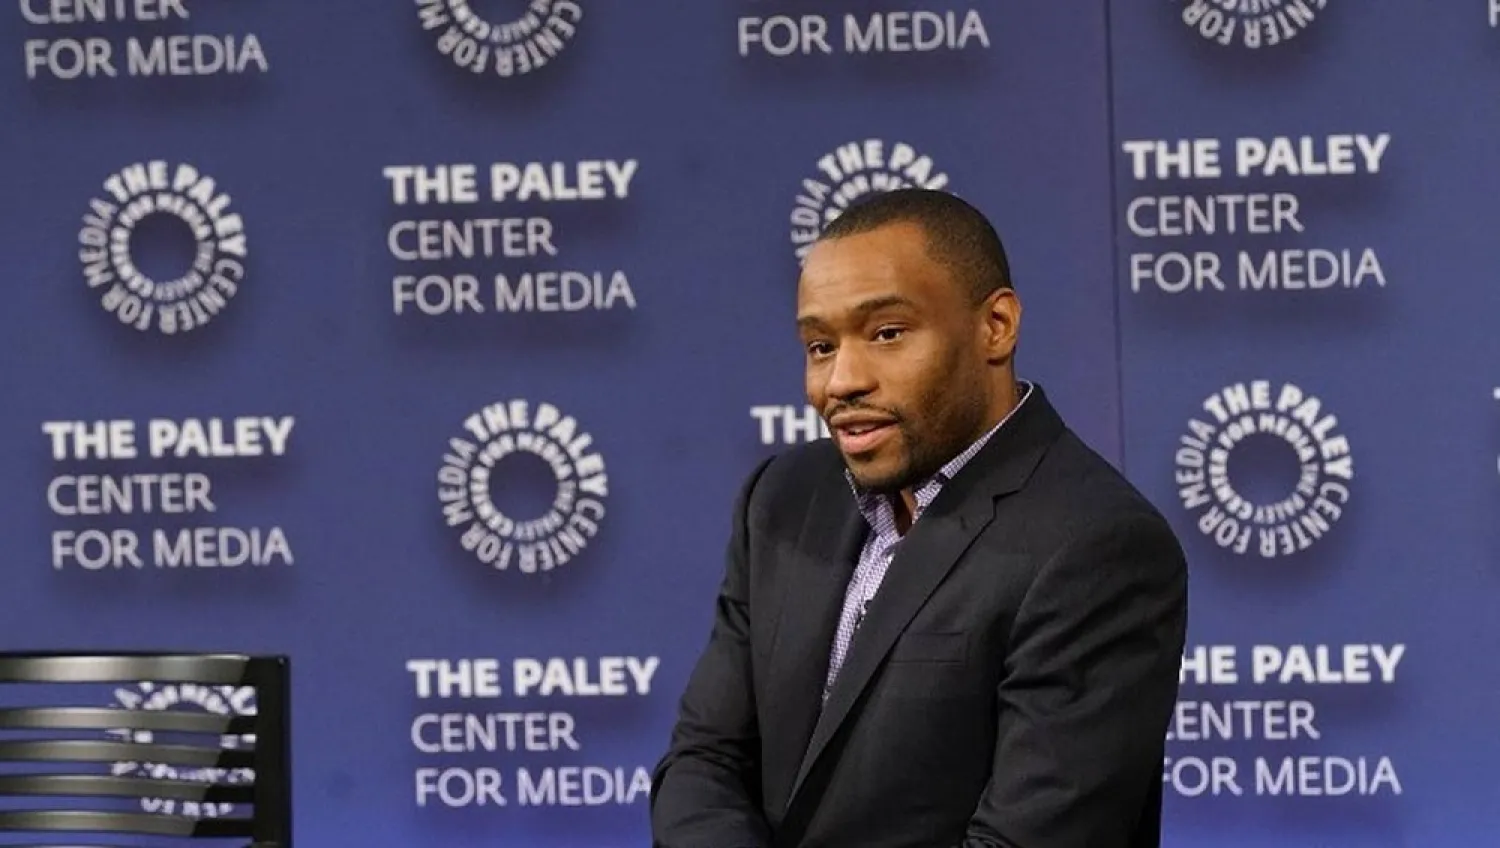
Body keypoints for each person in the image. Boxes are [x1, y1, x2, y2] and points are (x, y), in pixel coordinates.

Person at [649, 188, 1189, 848]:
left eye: (886, 334)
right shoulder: (784, 499)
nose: (841, 380)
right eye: (820, 346)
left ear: (996, 326)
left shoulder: (1096, 546)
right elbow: (703, 763)